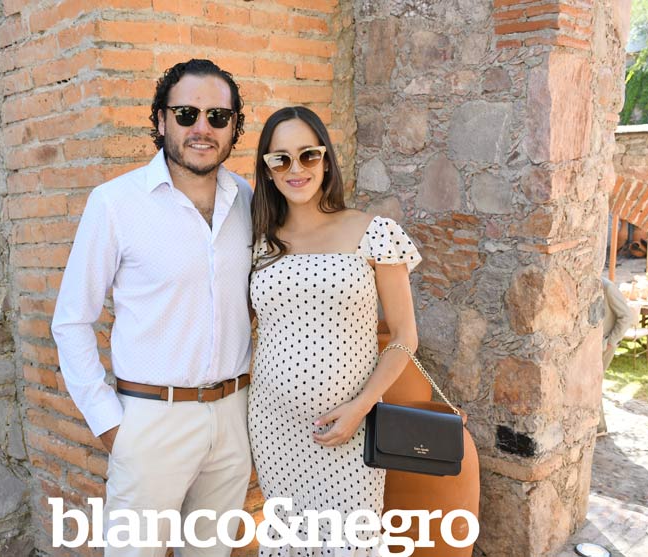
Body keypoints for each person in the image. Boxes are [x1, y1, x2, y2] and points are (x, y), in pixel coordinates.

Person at [51, 59, 253, 556]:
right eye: (186, 114)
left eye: (218, 117)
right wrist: (112, 426)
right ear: (161, 121)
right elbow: (72, 320)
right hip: (151, 421)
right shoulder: (115, 203)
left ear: (233, 128)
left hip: (233, 418)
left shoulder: (248, 200)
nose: (202, 128)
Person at [248, 106, 421, 554]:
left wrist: (361, 407)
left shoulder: (374, 232)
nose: (296, 169)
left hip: (351, 424)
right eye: (280, 159)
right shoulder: (259, 242)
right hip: (273, 427)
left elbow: (405, 335)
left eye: (308, 155)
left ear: (326, 160)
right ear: (267, 171)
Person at [598, 276, 633, 434]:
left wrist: (611, 342)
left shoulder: (608, 287)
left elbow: (626, 316)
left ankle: (599, 427)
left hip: (605, 346)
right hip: (592, 346)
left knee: (594, 382)